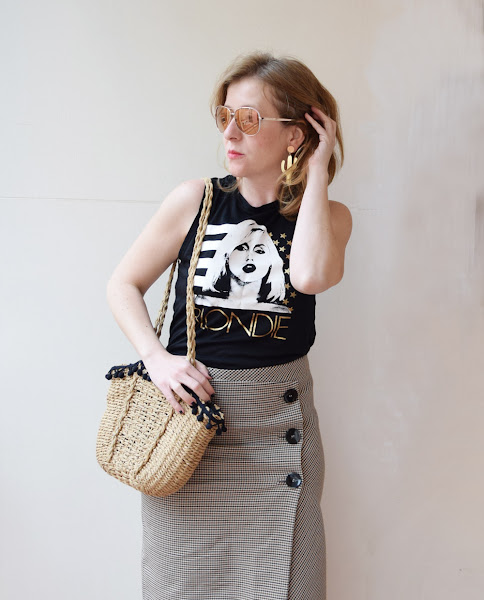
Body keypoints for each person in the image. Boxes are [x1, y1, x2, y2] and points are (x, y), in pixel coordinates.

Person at [106, 51, 352, 600]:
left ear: (296, 135)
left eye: (249, 119)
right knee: (181, 586)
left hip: (277, 428)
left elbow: (310, 276)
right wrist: (156, 359)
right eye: (225, 116)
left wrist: (316, 171)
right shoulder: (195, 199)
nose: (230, 133)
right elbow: (122, 284)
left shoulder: (329, 216)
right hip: (190, 428)